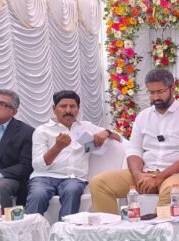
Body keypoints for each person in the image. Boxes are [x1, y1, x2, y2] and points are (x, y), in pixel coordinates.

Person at [90, 69, 179, 213]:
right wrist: (138, 175)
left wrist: (159, 178)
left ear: (172, 88)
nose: (155, 97)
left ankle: (158, 228)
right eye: (151, 92)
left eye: (160, 91)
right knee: (99, 183)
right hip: (146, 173)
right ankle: (111, 227)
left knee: (170, 191)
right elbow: (134, 150)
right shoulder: (143, 116)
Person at [26, 90, 121, 219]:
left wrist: (106, 132)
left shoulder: (83, 128)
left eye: (72, 106)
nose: (68, 110)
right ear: (54, 109)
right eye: (63, 106)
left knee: (72, 190)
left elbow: (118, 138)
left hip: (74, 178)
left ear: (78, 108)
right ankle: (31, 230)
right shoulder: (43, 131)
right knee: (38, 194)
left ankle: (65, 230)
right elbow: (38, 166)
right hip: (44, 176)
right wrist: (57, 147)